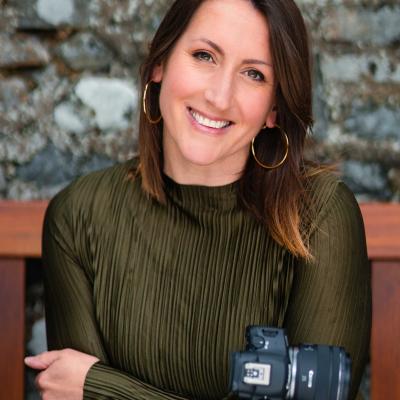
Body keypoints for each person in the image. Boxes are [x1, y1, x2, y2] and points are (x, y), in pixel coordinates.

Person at [24, 0, 371, 399]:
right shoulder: (80, 214)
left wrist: (101, 388)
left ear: (273, 108)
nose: (219, 97)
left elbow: (81, 388)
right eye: (204, 56)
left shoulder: (320, 215)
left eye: (254, 74)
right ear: (160, 63)